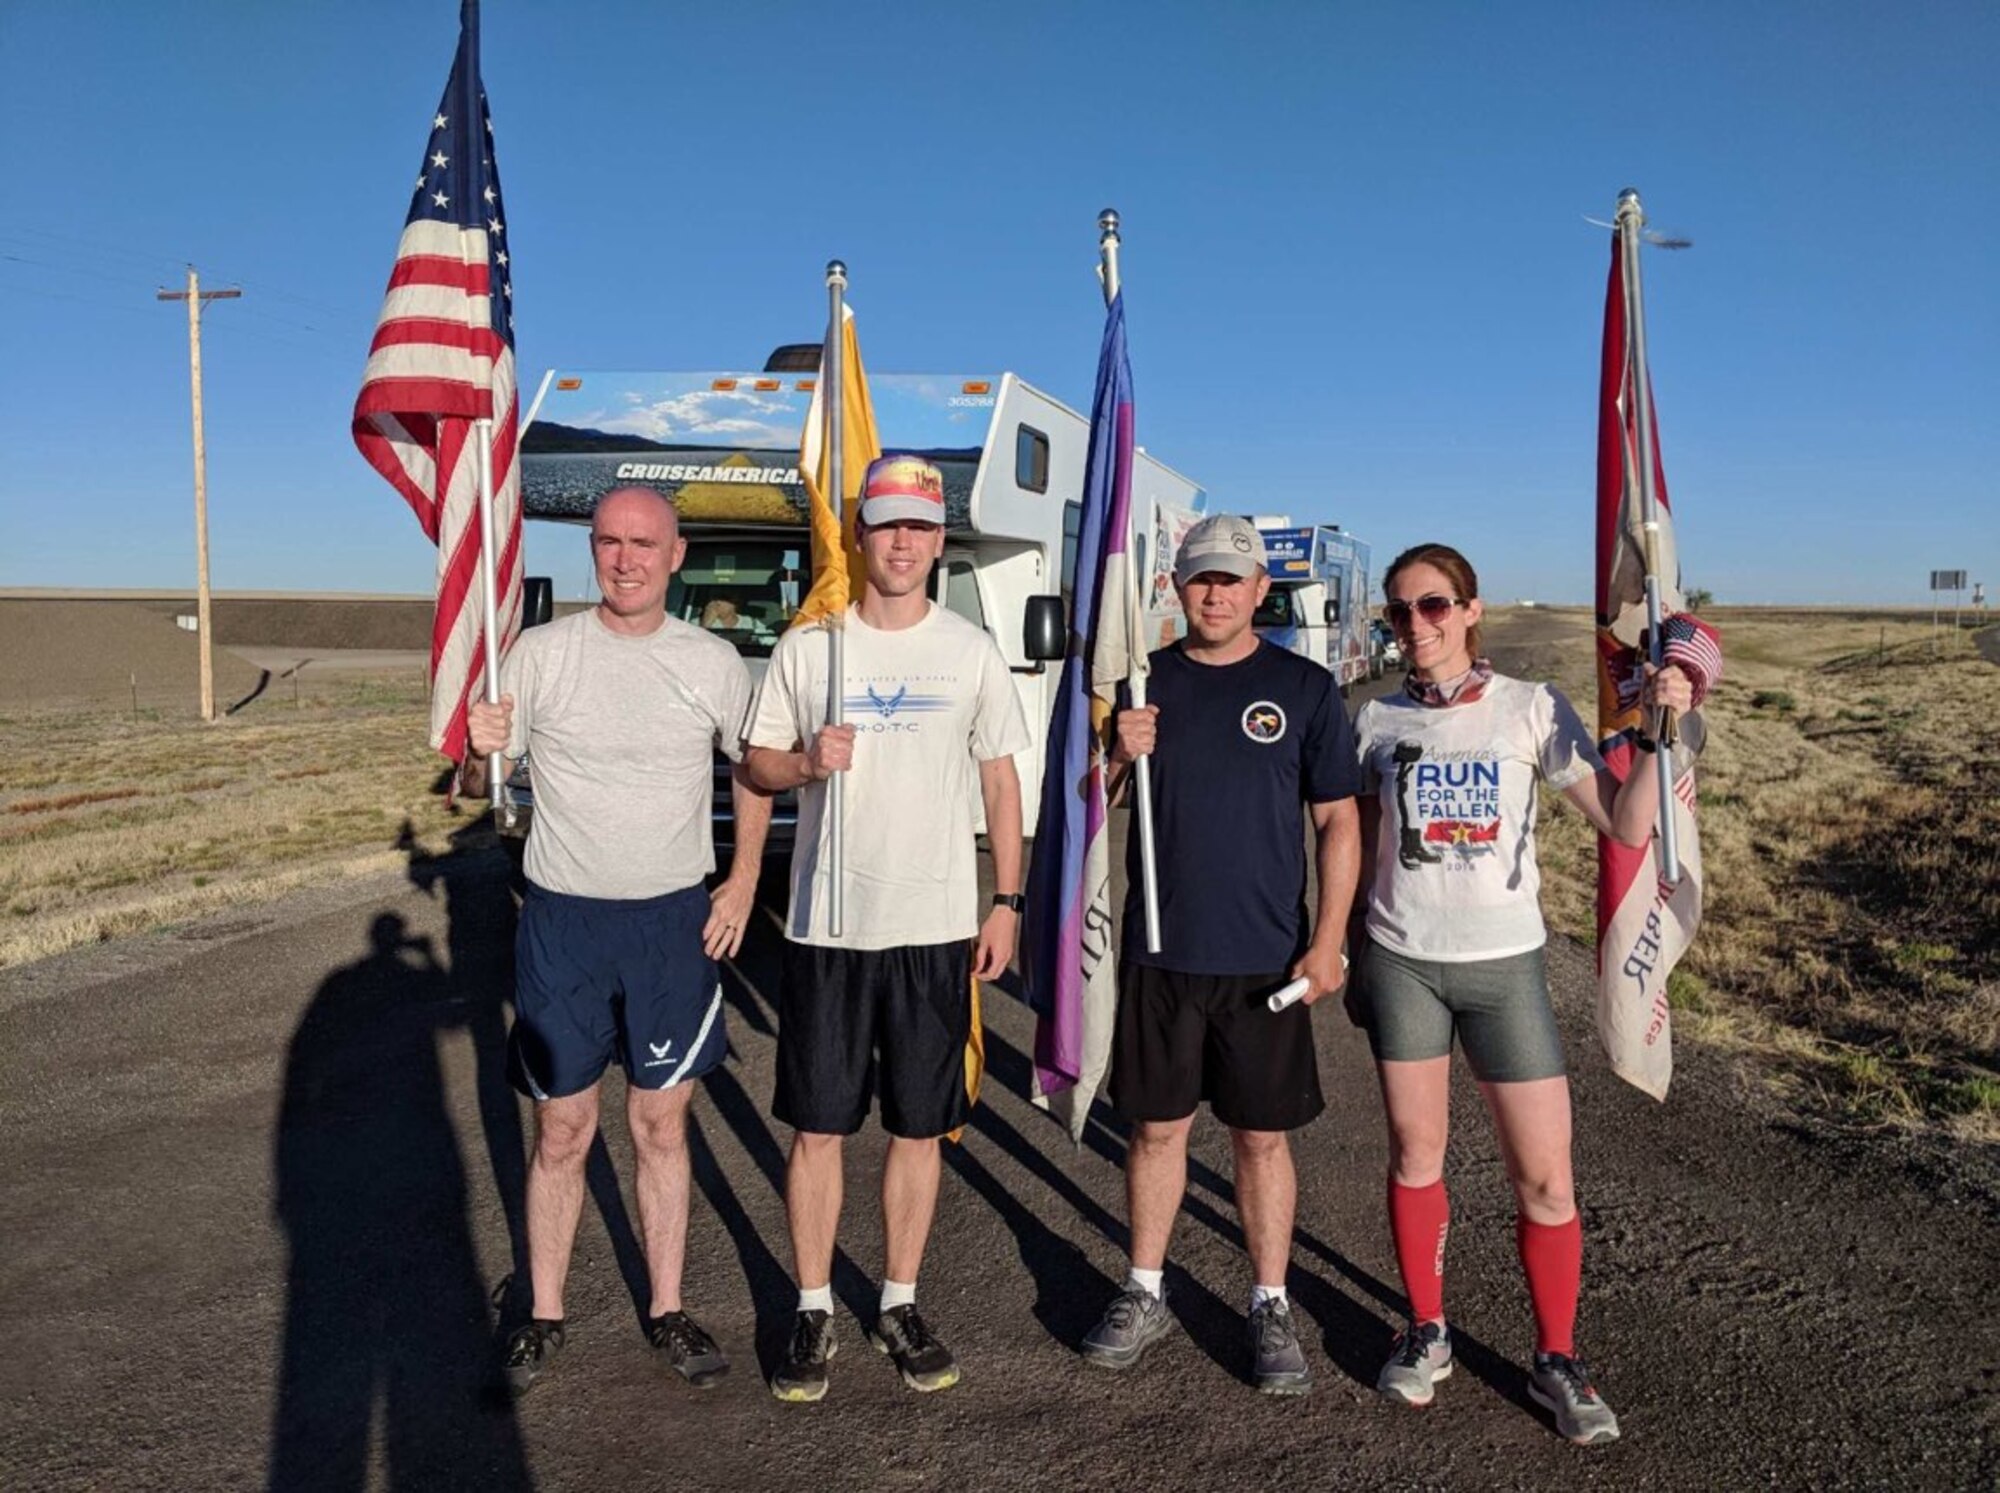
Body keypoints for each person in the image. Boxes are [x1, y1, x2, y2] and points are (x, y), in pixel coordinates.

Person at [1350, 541, 1697, 1446]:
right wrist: (1340, 946)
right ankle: (1426, 1331)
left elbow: (1625, 821)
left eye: (1433, 606)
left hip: (1506, 967)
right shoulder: (1374, 719)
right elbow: (1353, 843)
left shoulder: (1530, 709)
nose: (1415, 625)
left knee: (1545, 1177)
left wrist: (1666, 728)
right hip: (1403, 960)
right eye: (1399, 610)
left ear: (1472, 611)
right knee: (1415, 1153)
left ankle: (1557, 1357)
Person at [462, 485, 771, 1394]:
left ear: (677, 556)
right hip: (563, 919)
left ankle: (668, 1307)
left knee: (658, 1122)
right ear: (591, 550)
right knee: (563, 1128)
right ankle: (544, 1311)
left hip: (670, 922)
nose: (626, 559)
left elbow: (752, 772)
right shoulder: (543, 652)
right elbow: (481, 770)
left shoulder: (713, 662)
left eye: (645, 543)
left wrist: (745, 878)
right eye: (609, 542)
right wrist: (475, 741)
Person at [744, 454, 1030, 1403]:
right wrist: (803, 763)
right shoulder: (811, 646)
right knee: (819, 1127)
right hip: (829, 928)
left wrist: (1008, 902)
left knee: (919, 1127)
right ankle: (816, 1303)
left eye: (918, 527)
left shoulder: (970, 651)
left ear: (939, 540)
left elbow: (1000, 780)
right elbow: (758, 763)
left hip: (936, 928)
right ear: (858, 536)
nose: (901, 542)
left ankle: (899, 1300)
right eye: (885, 525)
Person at [1080, 513, 1363, 1396]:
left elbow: (1338, 821)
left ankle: (1270, 1301)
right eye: (1200, 578)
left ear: (1259, 592)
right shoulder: (1139, 682)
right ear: (1175, 586)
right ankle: (1145, 1287)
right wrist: (1114, 755)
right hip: (1163, 954)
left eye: (1231, 580)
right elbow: (1090, 807)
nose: (1214, 593)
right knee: (1157, 1130)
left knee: (1260, 1137)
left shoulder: (1307, 689)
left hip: (1264, 960)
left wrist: (1327, 942)